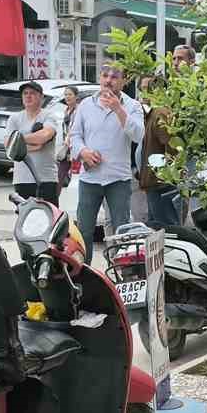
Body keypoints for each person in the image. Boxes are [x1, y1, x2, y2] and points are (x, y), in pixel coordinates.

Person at [68, 62, 144, 263]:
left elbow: (138, 135)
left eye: (114, 76)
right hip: (90, 178)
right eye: (105, 75)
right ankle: (85, 275)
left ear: (123, 81)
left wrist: (119, 109)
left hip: (118, 178)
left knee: (121, 229)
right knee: (84, 229)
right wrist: (83, 152)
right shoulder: (85, 105)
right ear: (100, 78)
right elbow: (75, 136)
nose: (109, 80)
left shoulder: (133, 106)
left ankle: (122, 275)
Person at [4, 81, 60, 203]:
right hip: (22, 179)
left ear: (41, 97)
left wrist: (20, 140)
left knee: (49, 217)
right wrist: (36, 143)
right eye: (25, 93)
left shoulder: (48, 116)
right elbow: (9, 147)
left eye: (33, 93)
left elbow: (45, 136)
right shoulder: (14, 119)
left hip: (46, 179)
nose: (28, 96)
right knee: (26, 218)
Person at [137, 75, 182, 228]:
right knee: (156, 231)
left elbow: (173, 147)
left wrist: (161, 173)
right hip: (154, 184)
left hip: (162, 185)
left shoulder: (160, 114)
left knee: (168, 230)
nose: (143, 94)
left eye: (147, 89)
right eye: (141, 90)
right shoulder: (151, 114)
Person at [55, 85, 81, 188]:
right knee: (58, 177)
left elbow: (75, 127)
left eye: (70, 94)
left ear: (76, 96)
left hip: (76, 149)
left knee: (77, 179)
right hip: (66, 149)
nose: (67, 97)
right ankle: (53, 201)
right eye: (66, 95)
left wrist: (69, 138)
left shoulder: (79, 110)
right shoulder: (66, 110)